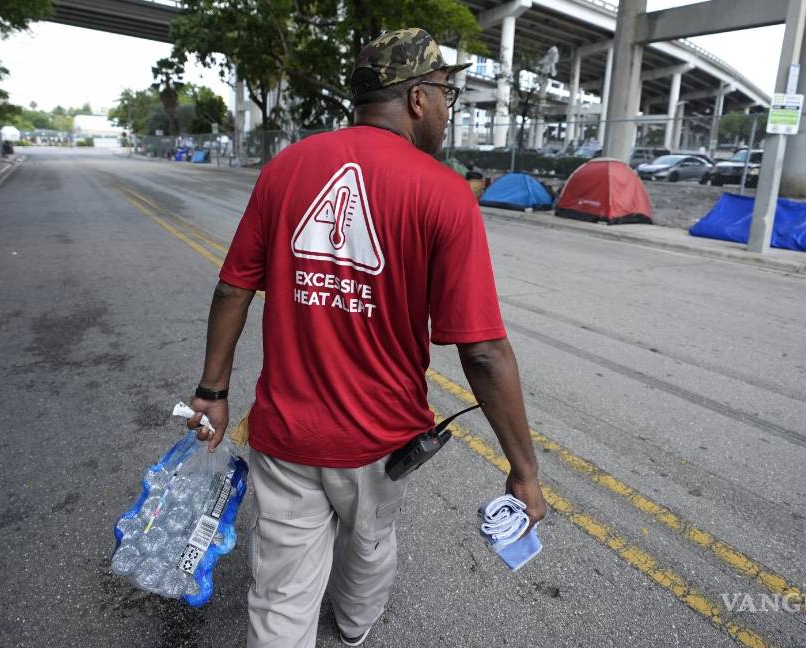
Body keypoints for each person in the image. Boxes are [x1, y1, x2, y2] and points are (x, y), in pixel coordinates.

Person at [187, 28, 547, 648]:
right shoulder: (443, 194)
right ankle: (353, 628)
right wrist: (525, 471)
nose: (448, 108)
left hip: (286, 433)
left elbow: (232, 290)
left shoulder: (286, 168)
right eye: (446, 93)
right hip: (379, 439)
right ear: (415, 98)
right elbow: (483, 350)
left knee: (280, 587)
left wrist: (212, 391)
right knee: (370, 542)